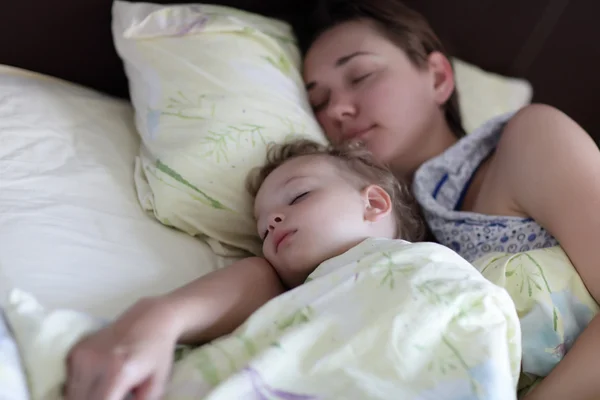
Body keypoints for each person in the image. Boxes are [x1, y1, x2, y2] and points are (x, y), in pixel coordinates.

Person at [66, 0, 600, 398]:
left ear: (438, 76)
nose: (339, 109)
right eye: (317, 101)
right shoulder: (364, 228)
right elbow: (272, 277)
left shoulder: (527, 141)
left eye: (361, 74)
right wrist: (156, 322)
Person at [64, 139, 432, 399]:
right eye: (262, 230)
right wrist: (159, 320)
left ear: (373, 203)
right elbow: (251, 281)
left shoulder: (433, 263)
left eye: (299, 196)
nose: (272, 222)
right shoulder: (286, 290)